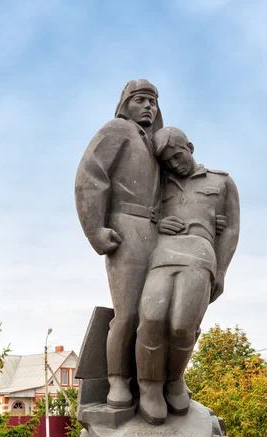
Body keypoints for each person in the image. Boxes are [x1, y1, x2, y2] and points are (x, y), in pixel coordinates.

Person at [135, 127, 240, 425]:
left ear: (190, 147)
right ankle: (150, 385)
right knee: (152, 318)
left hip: (200, 253)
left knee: (182, 325)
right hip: (163, 254)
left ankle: (173, 380)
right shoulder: (157, 184)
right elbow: (142, 217)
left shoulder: (222, 182)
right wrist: (157, 226)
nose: (175, 164)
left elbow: (231, 229)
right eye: (168, 161)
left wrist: (221, 271)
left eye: (178, 155)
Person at [75, 80, 163, 409]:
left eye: (153, 102)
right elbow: (91, 174)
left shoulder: (155, 144)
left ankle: (154, 383)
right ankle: (117, 380)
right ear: (126, 104)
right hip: (125, 228)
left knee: (156, 314)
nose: (148, 107)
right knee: (127, 314)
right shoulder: (117, 129)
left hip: (157, 232)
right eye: (140, 100)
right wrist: (95, 229)